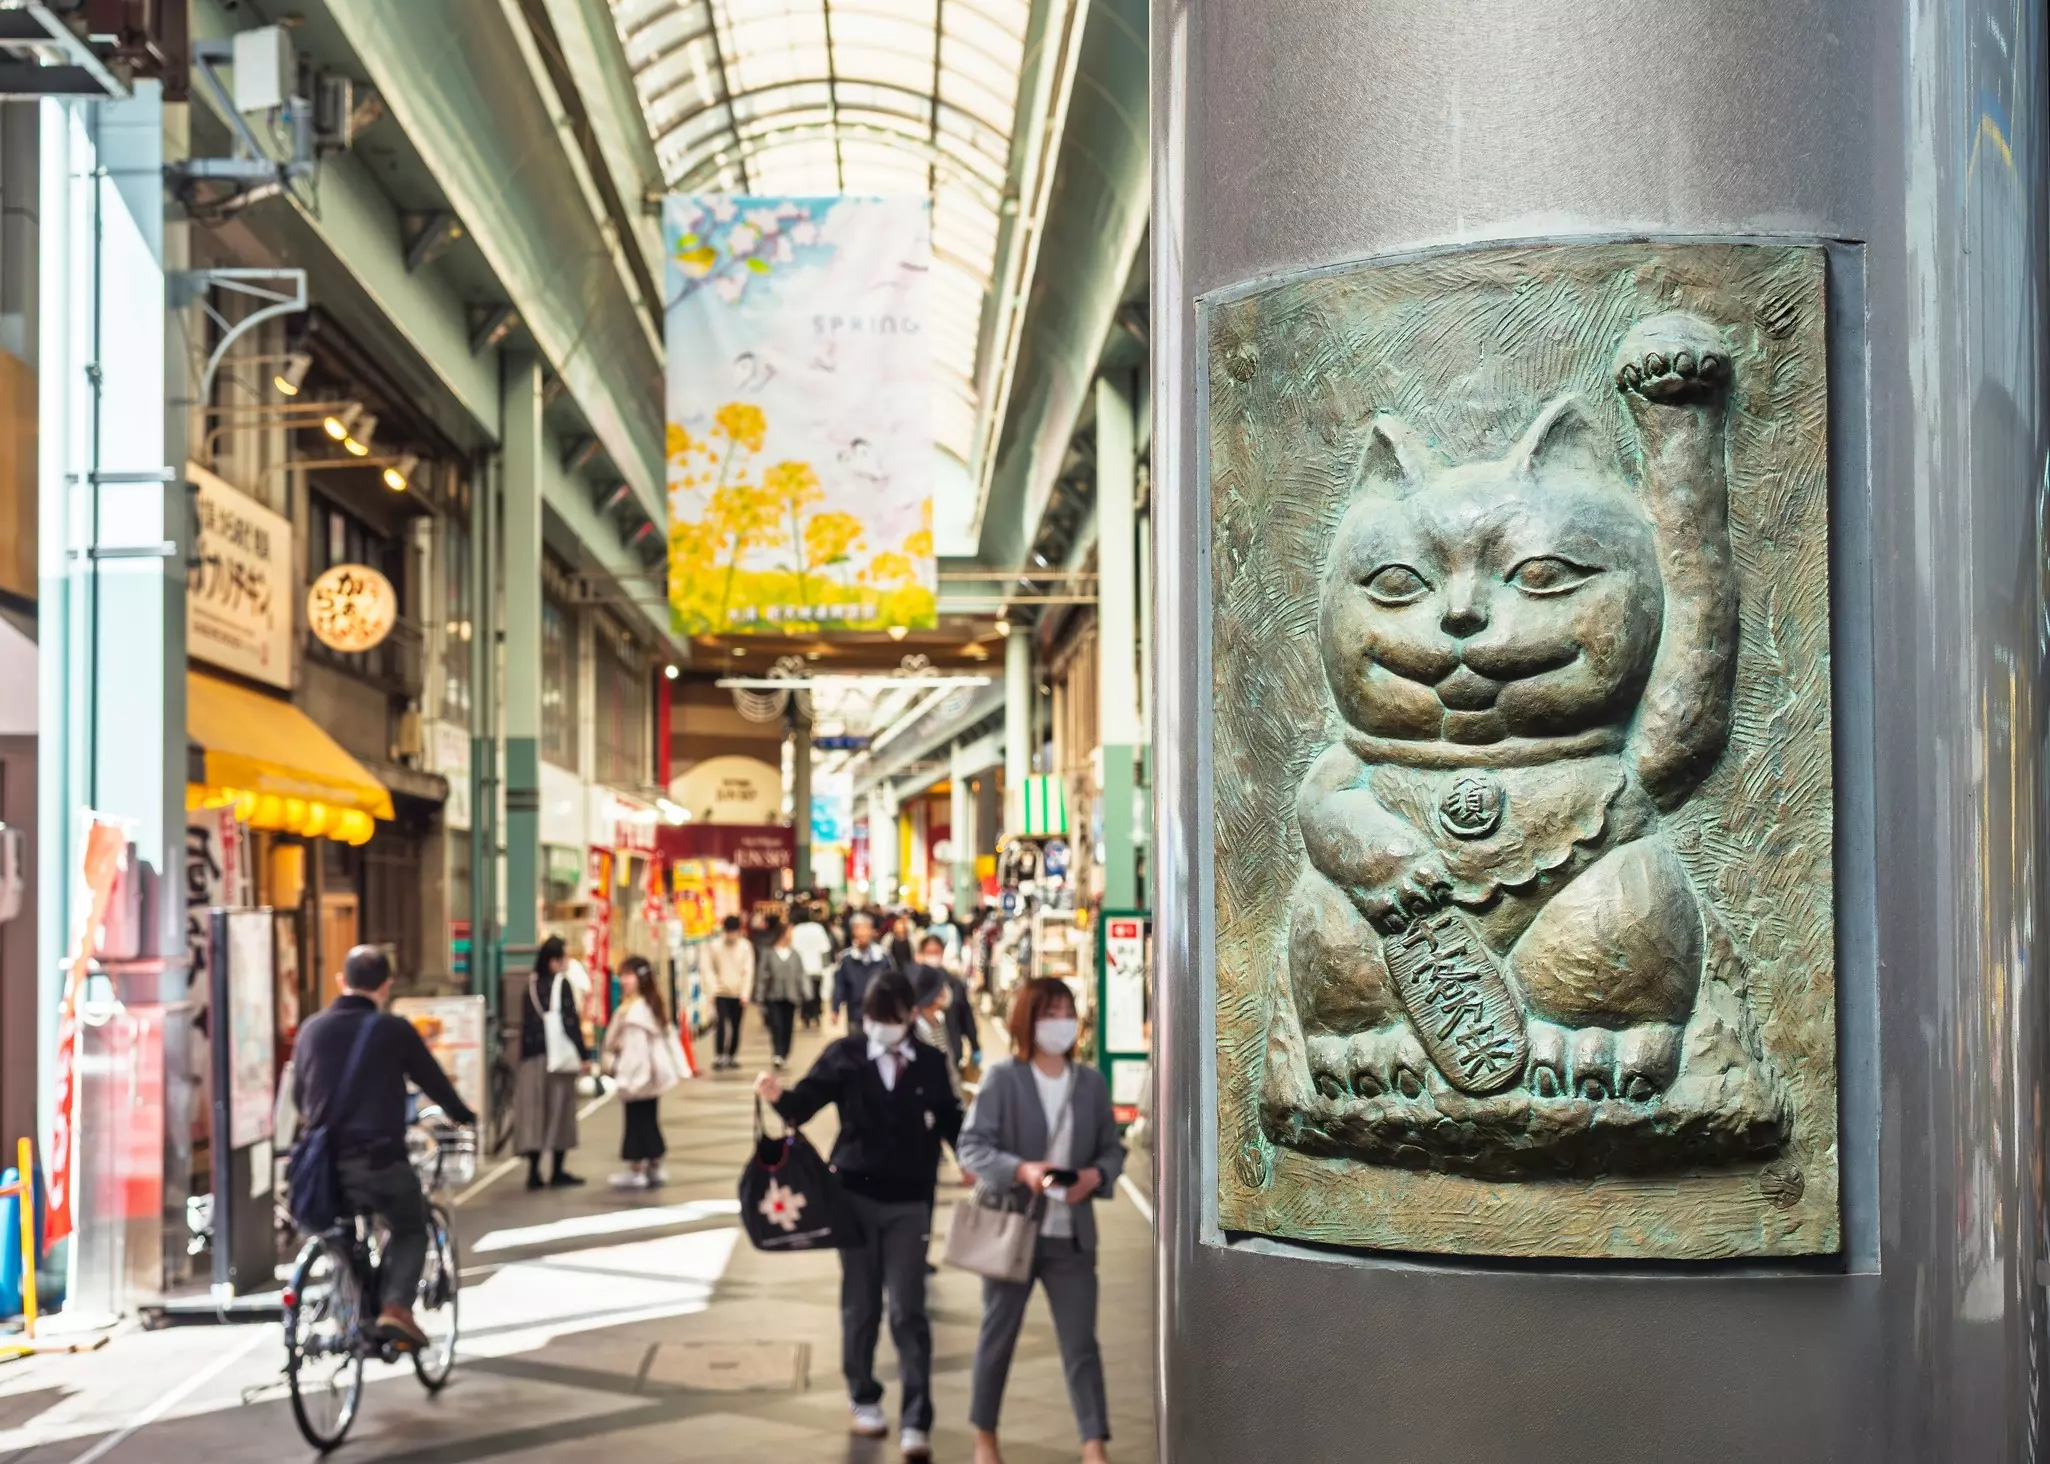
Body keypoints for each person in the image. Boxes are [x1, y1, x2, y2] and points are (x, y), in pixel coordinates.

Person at [756, 972, 961, 1461]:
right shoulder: (846, 1055)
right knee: (861, 1302)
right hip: (853, 1198)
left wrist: (973, 1157)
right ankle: (863, 1396)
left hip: (911, 1201)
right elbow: (803, 1105)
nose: (880, 1029)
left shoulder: (930, 1063)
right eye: (873, 1019)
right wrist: (777, 1095)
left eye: (889, 1020)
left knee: (909, 1309)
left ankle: (917, 1418)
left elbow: (954, 1120)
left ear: (910, 1017)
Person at [957, 977, 1125, 1464]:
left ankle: (1094, 1444)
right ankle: (984, 1436)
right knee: (997, 1337)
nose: (1061, 1023)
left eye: (1067, 1012)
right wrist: (1022, 1170)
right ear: (1028, 1020)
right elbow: (973, 1147)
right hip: (1014, 1229)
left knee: (1080, 1344)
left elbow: (1111, 1150)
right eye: (1050, 1013)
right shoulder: (1003, 1078)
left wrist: (1095, 1175)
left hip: (1071, 1236)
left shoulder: (1090, 1082)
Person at [291, 945, 477, 1349]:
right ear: (386, 986)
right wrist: (464, 1115)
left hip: (323, 1171)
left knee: (342, 1228)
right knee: (412, 1224)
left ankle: (348, 1300)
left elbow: (298, 1098)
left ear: (342, 982)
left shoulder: (311, 1029)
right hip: (378, 1162)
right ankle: (395, 1307)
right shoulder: (393, 1030)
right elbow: (434, 1083)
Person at [516, 935, 590, 1189]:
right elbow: (570, 1023)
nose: (567, 962)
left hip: (532, 1059)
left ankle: (534, 1172)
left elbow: (525, 1024)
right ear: (553, 962)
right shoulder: (562, 984)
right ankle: (557, 1171)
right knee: (560, 1111)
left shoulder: (531, 985)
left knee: (535, 1114)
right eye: (564, 957)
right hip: (558, 1059)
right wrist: (583, 1053)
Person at [603, 954, 680, 1190]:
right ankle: (653, 1164)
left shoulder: (634, 1012)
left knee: (636, 1121)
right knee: (648, 1119)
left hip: (638, 1075)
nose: (623, 981)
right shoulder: (648, 1005)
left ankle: (637, 1168)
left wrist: (624, 1074)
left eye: (627, 975)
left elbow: (635, 1052)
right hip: (651, 1076)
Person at [704, 914, 754, 1070]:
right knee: (721, 1024)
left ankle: (732, 1055)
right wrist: (712, 990)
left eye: (733, 931)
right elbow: (708, 969)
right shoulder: (715, 946)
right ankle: (719, 1055)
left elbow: (748, 971)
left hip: (738, 993)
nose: (730, 935)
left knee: (736, 1025)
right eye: (728, 931)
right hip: (720, 992)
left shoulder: (745, 947)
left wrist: (745, 993)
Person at [832, 913, 897, 1030]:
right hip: (855, 1012)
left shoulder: (883, 956)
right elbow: (839, 985)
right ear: (853, 932)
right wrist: (835, 1009)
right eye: (858, 928)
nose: (862, 933)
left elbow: (892, 983)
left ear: (872, 931)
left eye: (865, 928)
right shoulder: (846, 958)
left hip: (878, 1012)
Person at [754, 919, 805, 1068]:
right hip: (773, 995)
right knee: (776, 1025)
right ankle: (777, 1053)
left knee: (788, 1026)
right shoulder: (768, 952)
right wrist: (759, 995)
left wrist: (805, 993)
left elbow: (800, 974)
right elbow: (762, 975)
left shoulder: (795, 954)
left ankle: (785, 1052)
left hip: (790, 995)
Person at [791, 909, 835, 1029]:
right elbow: (825, 948)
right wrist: (826, 965)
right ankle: (816, 1014)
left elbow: (792, 950)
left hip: (802, 968)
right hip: (817, 967)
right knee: (816, 992)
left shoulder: (796, 930)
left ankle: (805, 1015)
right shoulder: (818, 928)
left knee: (804, 994)